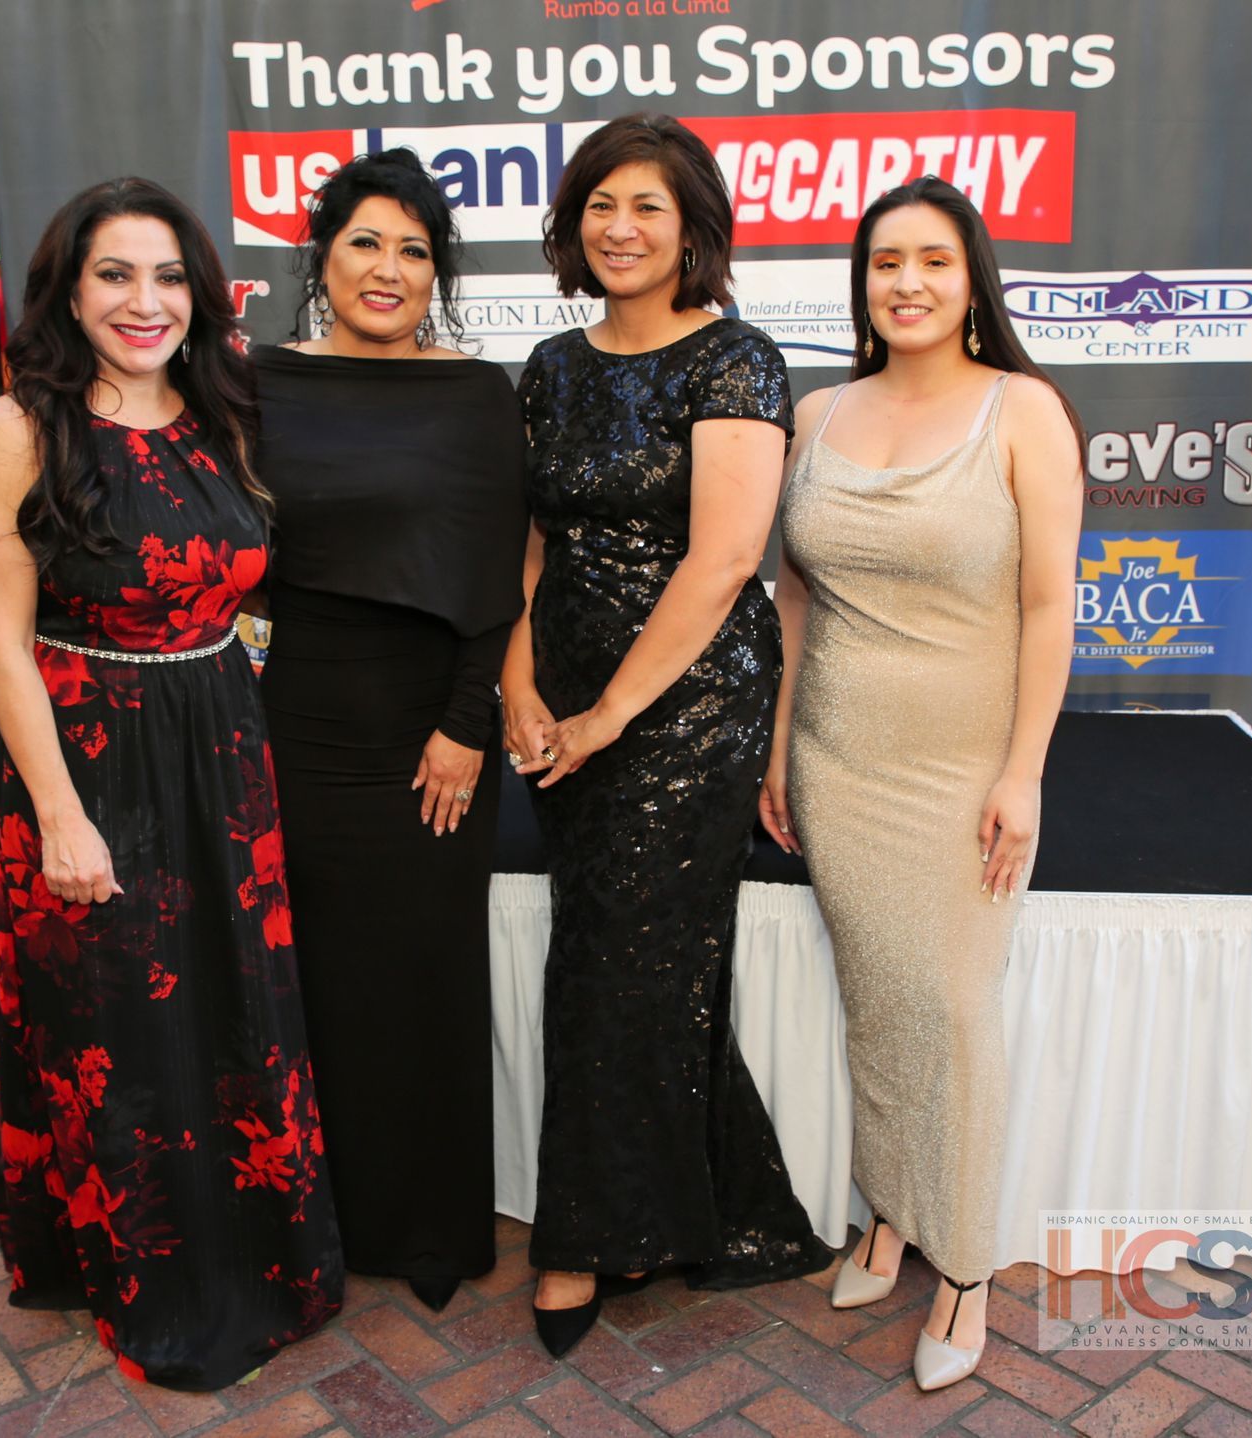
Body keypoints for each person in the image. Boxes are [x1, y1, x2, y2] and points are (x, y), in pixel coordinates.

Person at [0, 177, 342, 1391]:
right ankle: (158, 1284)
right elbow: (3, 643)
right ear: (68, 290)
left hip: (217, 751)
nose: (146, 300)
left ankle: (266, 1259)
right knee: (120, 1032)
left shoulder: (221, 408)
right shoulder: (21, 427)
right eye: (116, 275)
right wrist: (63, 816)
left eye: (169, 275)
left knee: (233, 1011)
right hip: (86, 764)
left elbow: (243, 584)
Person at [503, 113, 836, 1357]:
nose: (621, 228)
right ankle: (676, 1207)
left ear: (693, 223)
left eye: (647, 206)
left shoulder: (735, 359)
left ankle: (585, 1236)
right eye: (600, 205)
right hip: (567, 700)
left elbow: (725, 559)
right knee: (639, 961)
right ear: (572, 225)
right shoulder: (547, 363)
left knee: (614, 963)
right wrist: (520, 687)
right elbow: (530, 545)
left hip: (687, 710)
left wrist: (606, 717)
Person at [762, 175, 1083, 1392]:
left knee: (948, 1007)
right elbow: (794, 594)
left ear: (971, 281)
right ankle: (889, 1214)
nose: (907, 283)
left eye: (934, 262)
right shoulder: (819, 411)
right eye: (886, 261)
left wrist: (1024, 772)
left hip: (963, 769)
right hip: (838, 754)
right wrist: (780, 741)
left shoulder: (1025, 411)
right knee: (878, 998)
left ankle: (962, 1263)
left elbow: (1051, 604)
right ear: (863, 281)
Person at [252, 150, 527, 1311]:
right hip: (295, 722)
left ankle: (431, 1229)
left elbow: (497, 570)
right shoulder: (254, 384)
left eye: (414, 249)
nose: (388, 267)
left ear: (439, 275)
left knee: (426, 979)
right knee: (318, 982)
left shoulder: (474, 394)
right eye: (366, 240)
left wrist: (469, 724)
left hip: (432, 733)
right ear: (322, 254)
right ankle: (325, 1215)